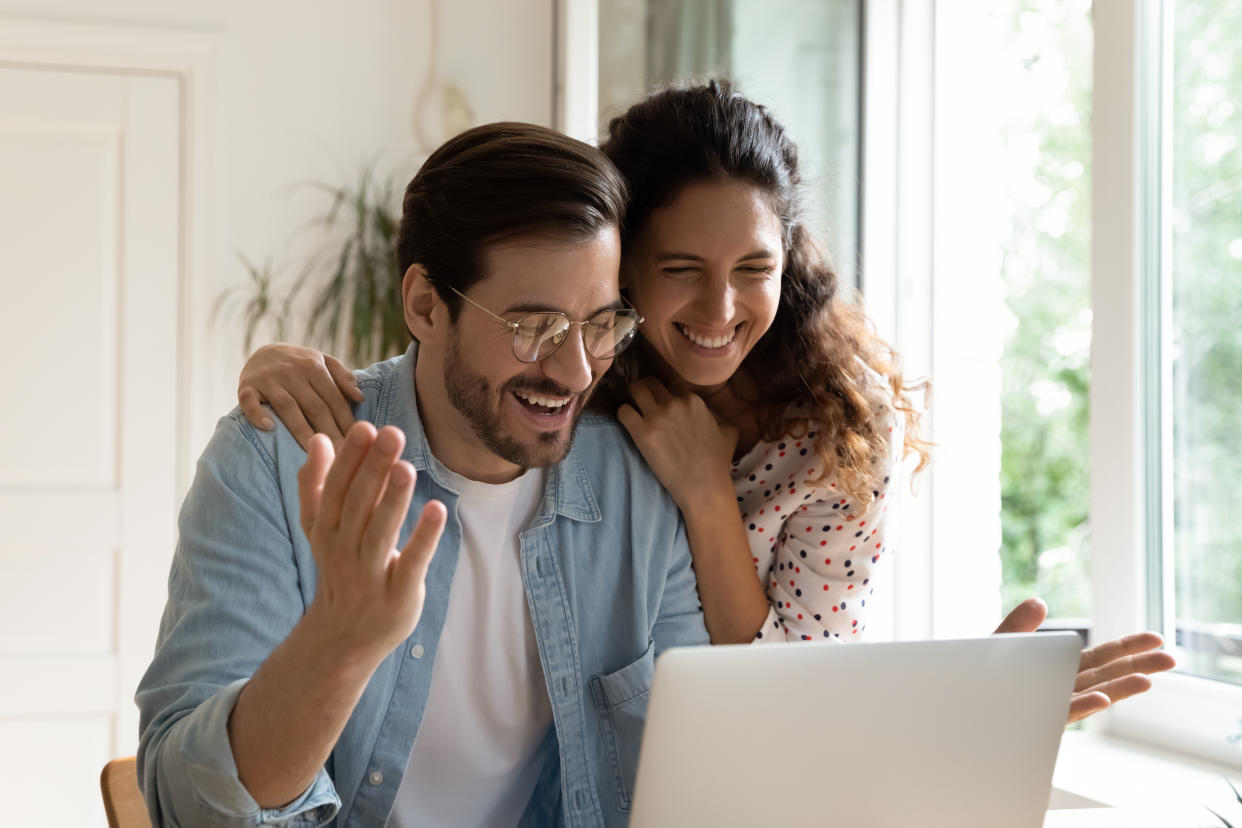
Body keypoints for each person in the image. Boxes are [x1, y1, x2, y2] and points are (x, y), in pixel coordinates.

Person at [239, 81, 1175, 724]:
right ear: (618, 264)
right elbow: (471, 353)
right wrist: (293, 370)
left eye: (753, 270)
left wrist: (707, 496)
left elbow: (785, 690)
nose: (720, 313)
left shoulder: (840, 435)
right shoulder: (588, 380)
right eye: (679, 270)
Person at [137, 122, 710, 828]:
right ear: (425, 306)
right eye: (535, 327)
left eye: (599, 325)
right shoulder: (273, 460)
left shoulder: (637, 485)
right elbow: (182, 803)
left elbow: (701, 768)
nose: (577, 371)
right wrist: (339, 641)